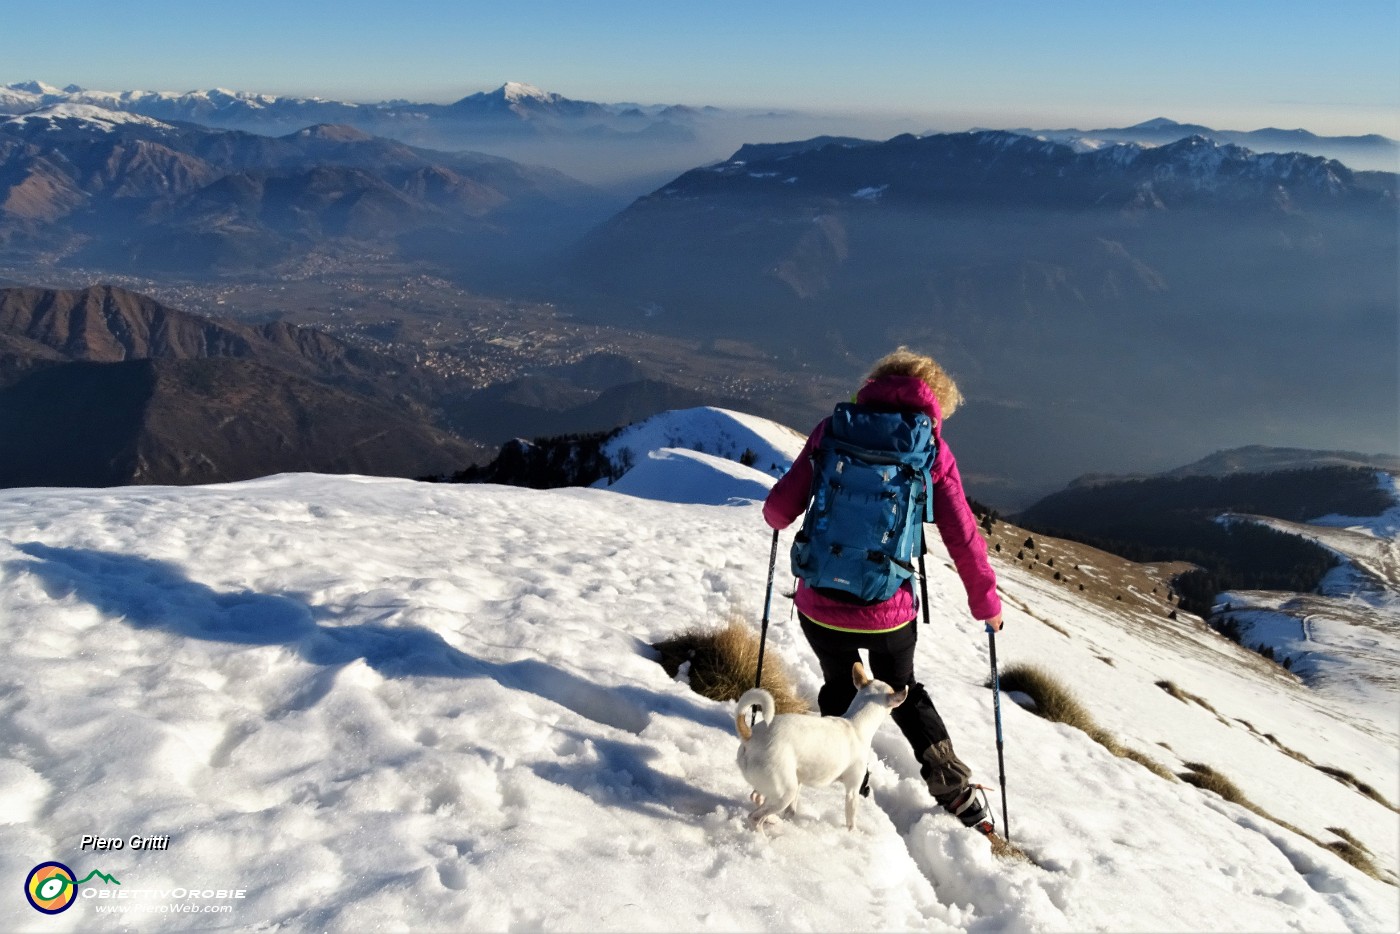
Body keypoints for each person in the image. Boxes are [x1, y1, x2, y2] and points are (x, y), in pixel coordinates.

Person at [762, 346, 1004, 833]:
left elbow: (777, 510)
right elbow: (962, 535)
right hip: (887, 608)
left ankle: (850, 773)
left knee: (839, 686)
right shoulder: (929, 447)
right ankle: (955, 792)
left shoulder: (834, 428)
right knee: (904, 693)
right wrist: (986, 603)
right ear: (934, 398)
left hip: (819, 602)